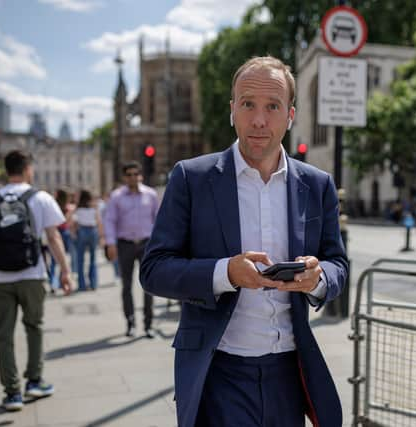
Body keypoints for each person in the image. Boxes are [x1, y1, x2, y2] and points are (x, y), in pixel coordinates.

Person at [140, 56, 348, 427]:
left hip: (290, 374)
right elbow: (154, 269)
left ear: (290, 115)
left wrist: (317, 279)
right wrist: (226, 273)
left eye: (273, 107)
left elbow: (337, 265)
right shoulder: (191, 177)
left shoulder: (318, 185)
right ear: (232, 109)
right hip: (219, 372)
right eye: (248, 104)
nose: (258, 120)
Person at [0, 150, 73, 412]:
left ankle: (12, 393)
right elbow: (53, 238)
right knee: (34, 327)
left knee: (3, 335)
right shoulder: (40, 198)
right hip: (32, 274)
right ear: (29, 168)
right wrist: (65, 271)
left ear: (6, 170)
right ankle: (35, 381)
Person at [103, 162, 159, 338]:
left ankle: (148, 325)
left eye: (136, 174)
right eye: (129, 174)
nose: (133, 177)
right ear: (124, 177)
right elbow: (109, 220)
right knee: (126, 285)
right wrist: (110, 243)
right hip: (125, 244)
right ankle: (130, 323)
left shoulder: (150, 195)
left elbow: (158, 220)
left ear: (141, 176)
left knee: (148, 285)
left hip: (146, 244)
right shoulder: (116, 197)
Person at [72, 189, 102, 291]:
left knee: (80, 259)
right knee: (93, 259)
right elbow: (99, 222)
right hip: (92, 230)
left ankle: (82, 285)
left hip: (82, 230)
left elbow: (72, 222)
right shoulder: (94, 208)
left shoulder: (78, 208)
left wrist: (73, 233)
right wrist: (102, 236)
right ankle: (93, 283)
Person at [48, 188, 74, 293]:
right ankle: (62, 280)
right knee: (63, 258)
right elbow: (68, 222)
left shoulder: (53, 206)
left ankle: (53, 283)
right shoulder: (68, 208)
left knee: (53, 261)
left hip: (54, 231)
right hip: (64, 232)